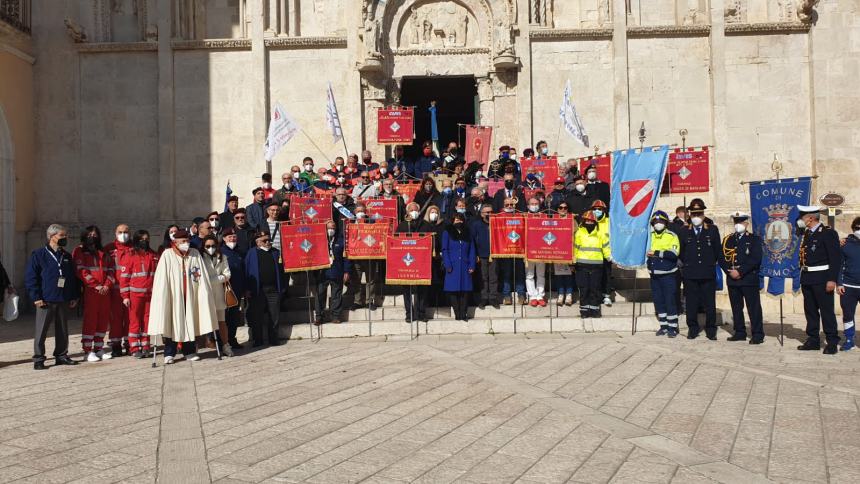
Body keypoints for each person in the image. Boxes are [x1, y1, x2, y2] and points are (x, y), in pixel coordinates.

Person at [149, 230, 217, 363]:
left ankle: (189, 351)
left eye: (187, 241)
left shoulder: (195, 254)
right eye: (183, 242)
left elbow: (201, 274)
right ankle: (169, 353)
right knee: (172, 324)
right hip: (174, 297)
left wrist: (204, 293)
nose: (186, 244)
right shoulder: (167, 255)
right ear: (175, 242)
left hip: (191, 295)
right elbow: (161, 278)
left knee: (189, 323)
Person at [25, 224, 80, 370]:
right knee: (41, 330)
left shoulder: (66, 256)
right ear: (51, 237)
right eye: (62, 236)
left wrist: (74, 295)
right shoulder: (38, 254)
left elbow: (71, 277)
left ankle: (61, 355)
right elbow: (31, 278)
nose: (65, 238)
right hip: (45, 299)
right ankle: (39, 358)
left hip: (62, 298)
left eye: (65, 235)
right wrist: (36, 297)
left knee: (62, 329)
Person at [796, 205, 842, 354]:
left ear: (811, 218)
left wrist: (832, 280)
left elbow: (835, 258)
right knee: (810, 311)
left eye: (802, 217)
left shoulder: (827, 233)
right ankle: (813, 340)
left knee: (826, 311)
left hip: (823, 278)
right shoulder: (807, 234)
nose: (800, 220)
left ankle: (832, 341)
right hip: (807, 277)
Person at [678, 198, 721, 340]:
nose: (696, 217)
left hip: (707, 272)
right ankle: (693, 328)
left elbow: (717, 251)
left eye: (699, 214)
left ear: (703, 214)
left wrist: (709, 263)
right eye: (694, 214)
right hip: (690, 273)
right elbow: (681, 252)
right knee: (691, 302)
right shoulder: (684, 231)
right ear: (690, 215)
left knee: (709, 302)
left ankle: (710, 329)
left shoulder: (713, 230)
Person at [72, 226, 115, 362]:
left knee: (102, 320)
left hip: (104, 292)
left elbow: (111, 270)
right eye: (89, 234)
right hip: (91, 291)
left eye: (95, 234)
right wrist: (97, 286)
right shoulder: (80, 251)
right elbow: (81, 271)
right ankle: (87, 350)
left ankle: (99, 348)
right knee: (90, 320)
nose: (92, 237)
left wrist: (107, 285)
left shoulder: (102, 252)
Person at [720, 212, 764, 344]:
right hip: (732, 277)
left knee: (753, 307)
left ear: (747, 224)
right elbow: (722, 257)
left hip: (748, 277)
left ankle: (757, 334)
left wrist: (740, 271)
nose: (738, 225)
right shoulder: (728, 239)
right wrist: (729, 271)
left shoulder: (754, 239)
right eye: (736, 222)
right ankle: (739, 332)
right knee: (736, 307)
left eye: (741, 222)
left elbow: (756, 259)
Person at [118, 230, 159, 358]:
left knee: (147, 320)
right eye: (142, 239)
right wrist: (125, 296)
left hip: (150, 294)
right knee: (135, 321)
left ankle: (146, 345)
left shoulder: (153, 255)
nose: (145, 241)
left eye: (147, 239)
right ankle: (134, 347)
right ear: (136, 240)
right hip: (134, 295)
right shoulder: (130, 255)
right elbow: (124, 277)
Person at [244, 231, 285, 347]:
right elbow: (246, 272)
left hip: (273, 289)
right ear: (257, 242)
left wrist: (282, 287)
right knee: (257, 316)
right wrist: (247, 288)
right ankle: (258, 339)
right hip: (257, 290)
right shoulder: (251, 253)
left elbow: (282, 271)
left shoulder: (275, 252)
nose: (267, 242)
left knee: (274, 315)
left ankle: (274, 339)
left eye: (268, 240)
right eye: (264, 240)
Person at [647, 211, 680, 337]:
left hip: (668, 274)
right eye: (656, 222)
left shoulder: (672, 236)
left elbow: (673, 254)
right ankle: (664, 326)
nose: (658, 224)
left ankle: (673, 327)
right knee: (658, 301)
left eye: (660, 222)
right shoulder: (649, 236)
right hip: (654, 275)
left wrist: (655, 253)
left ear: (665, 223)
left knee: (669, 300)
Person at [397, 203, 432, 322]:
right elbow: (396, 241)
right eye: (411, 210)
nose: (413, 212)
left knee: (423, 289)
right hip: (406, 261)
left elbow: (432, 241)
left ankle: (421, 313)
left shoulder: (426, 225)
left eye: (415, 209)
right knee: (407, 290)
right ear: (407, 212)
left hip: (422, 261)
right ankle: (409, 314)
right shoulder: (402, 226)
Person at [200, 235, 233, 356]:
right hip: (205, 294)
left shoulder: (222, 257)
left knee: (222, 321)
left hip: (219, 294)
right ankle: (206, 343)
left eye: (213, 246)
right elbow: (201, 277)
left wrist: (212, 279)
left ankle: (225, 345)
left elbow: (227, 275)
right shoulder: (200, 258)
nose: (211, 248)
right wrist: (219, 278)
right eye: (208, 246)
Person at [104, 224, 133, 356]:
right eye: (120, 232)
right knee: (115, 319)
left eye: (126, 232)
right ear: (115, 233)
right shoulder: (109, 249)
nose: (123, 234)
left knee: (129, 319)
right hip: (114, 291)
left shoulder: (134, 248)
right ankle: (115, 346)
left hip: (131, 290)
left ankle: (129, 344)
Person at [574, 210, 610, 318]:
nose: (589, 222)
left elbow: (606, 247)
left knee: (595, 288)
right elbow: (575, 248)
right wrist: (573, 262)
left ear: (595, 222)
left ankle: (595, 310)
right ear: (584, 221)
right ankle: (584, 311)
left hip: (597, 265)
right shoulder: (579, 232)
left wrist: (609, 257)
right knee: (584, 288)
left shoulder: (600, 234)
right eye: (587, 220)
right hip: (581, 265)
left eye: (591, 221)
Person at [314, 220, 350, 325]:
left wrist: (346, 271)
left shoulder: (341, 240)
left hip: (337, 271)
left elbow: (346, 258)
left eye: (333, 228)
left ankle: (335, 316)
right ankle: (319, 316)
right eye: (329, 228)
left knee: (337, 295)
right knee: (320, 295)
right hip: (322, 272)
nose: (331, 230)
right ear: (325, 229)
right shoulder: (319, 240)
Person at [442, 213, 476, 321]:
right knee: (453, 290)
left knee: (465, 291)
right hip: (453, 265)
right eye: (456, 220)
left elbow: (472, 250)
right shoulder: (447, 232)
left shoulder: (468, 233)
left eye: (461, 220)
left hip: (465, 265)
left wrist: (472, 265)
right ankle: (457, 313)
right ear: (452, 221)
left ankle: (464, 313)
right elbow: (445, 249)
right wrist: (447, 264)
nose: (459, 222)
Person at [349, 203, 381, 311]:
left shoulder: (371, 221)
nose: (360, 213)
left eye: (362, 211)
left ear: (366, 212)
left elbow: (377, 234)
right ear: (354, 212)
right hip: (355, 256)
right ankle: (357, 301)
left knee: (370, 280)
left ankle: (369, 301)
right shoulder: (350, 222)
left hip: (369, 255)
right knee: (356, 279)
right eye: (358, 211)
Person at [220, 228, 246, 349]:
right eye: (229, 237)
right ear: (224, 238)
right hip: (224, 290)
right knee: (224, 317)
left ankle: (232, 339)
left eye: (234, 236)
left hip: (237, 289)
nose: (232, 239)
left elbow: (244, 271)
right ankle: (223, 341)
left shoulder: (240, 252)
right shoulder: (220, 252)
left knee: (234, 317)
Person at [497, 198, 526, 305]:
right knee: (506, 273)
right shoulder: (499, 216)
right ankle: (507, 295)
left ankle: (521, 294)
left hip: (519, 248)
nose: (509, 206)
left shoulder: (520, 216)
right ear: (504, 205)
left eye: (511, 204)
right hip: (505, 249)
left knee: (520, 273)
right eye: (507, 204)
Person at [838, 217, 860, 351]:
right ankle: (849, 339)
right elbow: (839, 266)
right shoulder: (845, 244)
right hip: (848, 286)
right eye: (857, 228)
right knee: (847, 314)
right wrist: (839, 283)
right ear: (853, 229)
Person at [525, 198, 548, 307]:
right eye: (532, 204)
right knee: (529, 275)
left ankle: (540, 295)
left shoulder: (544, 216)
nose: (534, 205)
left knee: (541, 274)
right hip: (528, 250)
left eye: (536, 204)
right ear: (528, 205)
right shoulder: (524, 216)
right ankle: (532, 296)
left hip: (542, 249)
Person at [553, 203, 576, 306]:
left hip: (569, 250)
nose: (562, 209)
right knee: (559, 274)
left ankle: (569, 294)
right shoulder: (553, 219)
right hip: (556, 250)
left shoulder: (572, 219)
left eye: (565, 208)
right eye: (560, 207)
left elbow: (576, 233)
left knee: (569, 274)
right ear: (557, 209)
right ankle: (561, 294)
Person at [591, 200, 613, 307]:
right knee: (596, 277)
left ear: (604, 210)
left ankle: (607, 296)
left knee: (607, 275)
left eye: (599, 209)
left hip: (606, 254)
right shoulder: (589, 220)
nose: (597, 211)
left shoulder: (610, 222)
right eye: (595, 209)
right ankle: (597, 295)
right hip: (593, 254)